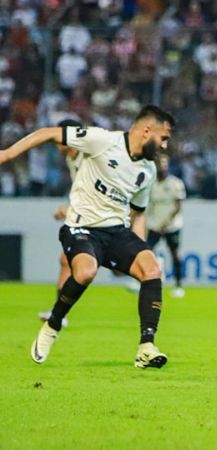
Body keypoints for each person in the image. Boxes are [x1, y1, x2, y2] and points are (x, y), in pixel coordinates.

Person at [0, 105, 175, 369]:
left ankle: (146, 347)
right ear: (147, 130)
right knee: (85, 272)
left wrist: (140, 249)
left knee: (152, 269)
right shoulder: (103, 140)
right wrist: (8, 153)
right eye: (163, 138)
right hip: (82, 227)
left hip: (116, 231)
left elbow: (138, 214)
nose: (164, 146)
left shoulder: (147, 171)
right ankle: (53, 324)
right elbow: (49, 132)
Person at [38, 119, 84, 328]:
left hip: (103, 218)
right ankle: (59, 313)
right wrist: (68, 206)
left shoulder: (88, 157)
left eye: (60, 137)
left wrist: (68, 208)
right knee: (65, 260)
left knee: (123, 267)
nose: (57, 142)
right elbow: (80, 191)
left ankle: (152, 274)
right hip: (87, 216)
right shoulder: (71, 159)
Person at [145, 153, 187, 298]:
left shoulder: (175, 183)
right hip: (155, 226)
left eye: (164, 163)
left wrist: (167, 222)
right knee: (147, 253)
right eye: (159, 163)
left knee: (175, 255)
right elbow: (147, 206)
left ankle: (178, 285)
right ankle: (145, 283)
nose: (162, 166)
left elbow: (178, 206)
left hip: (172, 226)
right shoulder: (150, 184)